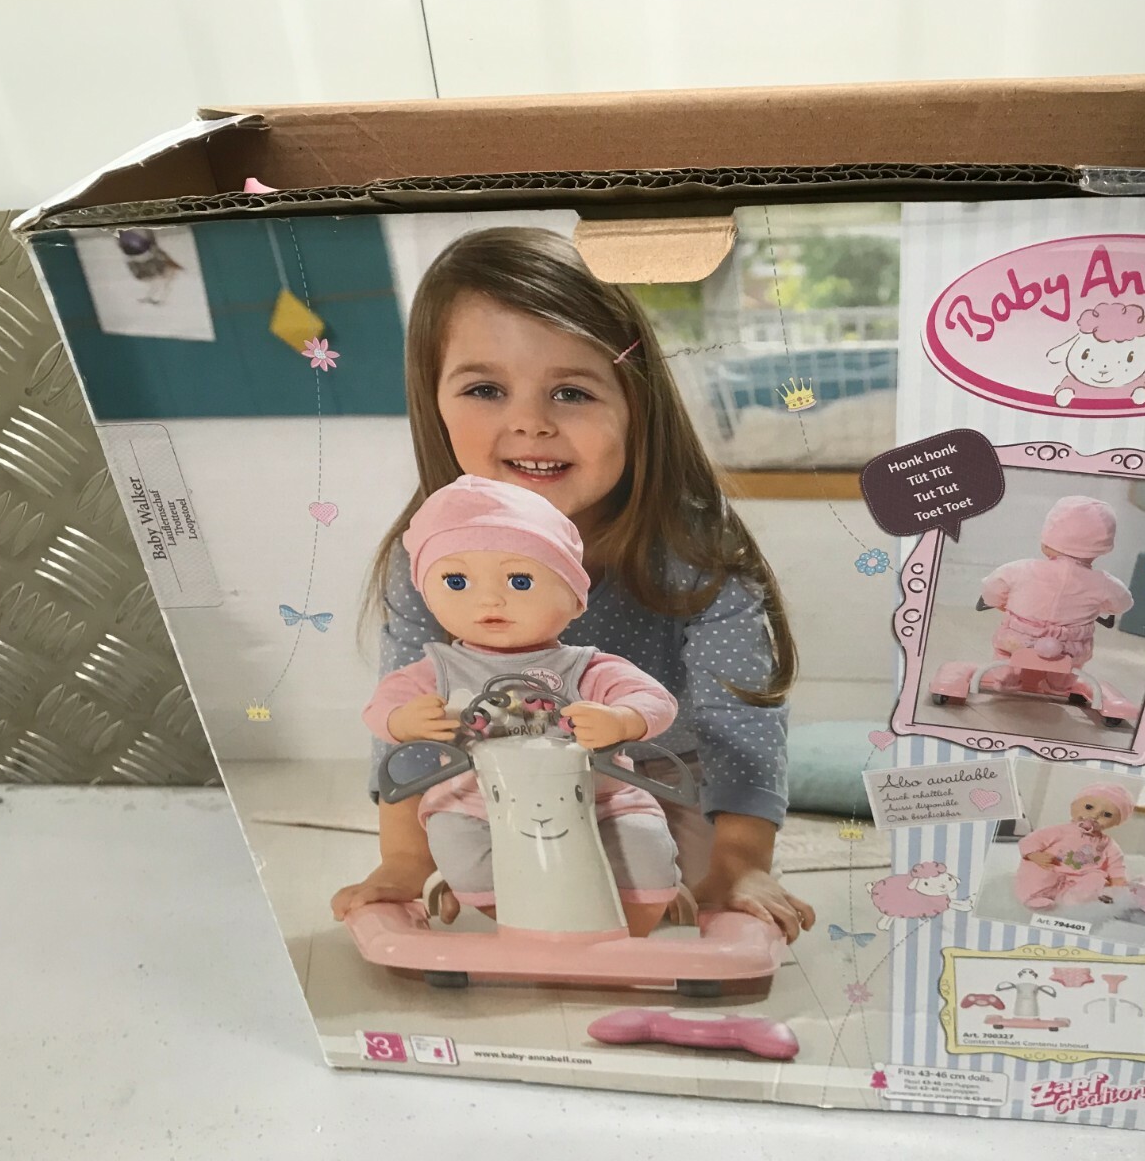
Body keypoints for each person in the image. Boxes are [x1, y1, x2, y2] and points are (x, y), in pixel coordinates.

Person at [329, 225, 813, 942]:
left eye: (572, 392)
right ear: (433, 402)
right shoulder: (429, 557)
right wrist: (404, 858)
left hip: (657, 774)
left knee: (660, 884)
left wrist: (740, 863)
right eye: (485, 389)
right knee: (496, 875)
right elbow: (414, 712)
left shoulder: (692, 544)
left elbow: (736, 720)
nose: (530, 423)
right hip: (489, 775)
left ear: (636, 405)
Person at [362, 475, 681, 937]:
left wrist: (622, 719)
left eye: (520, 580)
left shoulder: (586, 667)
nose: (490, 599)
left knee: (645, 847)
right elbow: (382, 704)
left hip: (601, 799)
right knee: (455, 841)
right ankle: (518, 922)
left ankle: (629, 930)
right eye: (457, 581)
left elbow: (655, 700)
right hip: (476, 802)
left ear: (575, 599)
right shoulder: (440, 669)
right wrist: (401, 719)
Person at [980, 495, 1134, 691]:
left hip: (1018, 640)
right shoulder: (1104, 582)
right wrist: (1102, 607)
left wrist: (999, 601)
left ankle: (1006, 677)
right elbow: (1123, 603)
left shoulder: (1020, 569)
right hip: (1071, 648)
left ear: (1047, 542)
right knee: (1075, 663)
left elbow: (992, 588)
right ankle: (1058, 685)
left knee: (1004, 651)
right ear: (1101, 549)